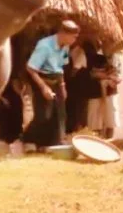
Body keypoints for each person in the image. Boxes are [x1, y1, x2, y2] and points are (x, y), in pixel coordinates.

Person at [24, 20, 81, 148]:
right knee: (44, 114)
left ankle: (57, 143)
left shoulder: (65, 45)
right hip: (41, 77)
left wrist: (62, 86)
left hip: (57, 77)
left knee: (60, 114)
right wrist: (44, 88)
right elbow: (31, 68)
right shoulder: (45, 46)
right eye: (73, 37)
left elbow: (60, 66)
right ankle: (28, 139)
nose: (75, 40)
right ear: (64, 34)